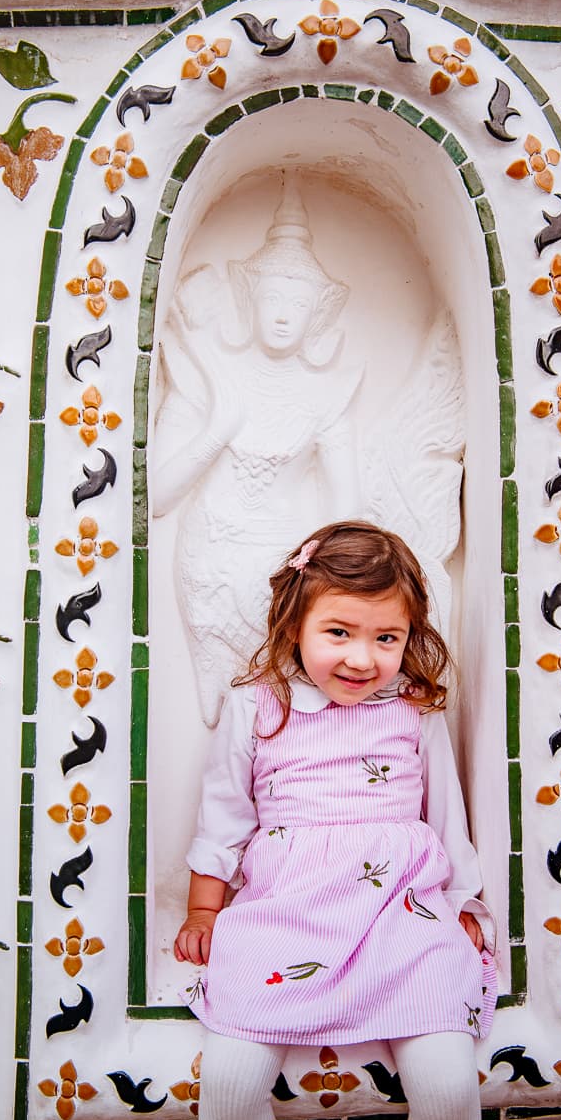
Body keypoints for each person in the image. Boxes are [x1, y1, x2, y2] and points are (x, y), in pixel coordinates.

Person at [174, 521, 497, 1120]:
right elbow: (224, 816)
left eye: (387, 638)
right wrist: (205, 912)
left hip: (400, 917)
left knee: (449, 1087)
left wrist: (464, 904)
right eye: (339, 633)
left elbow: (448, 815)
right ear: (296, 621)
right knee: (230, 1087)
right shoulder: (259, 706)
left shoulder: (414, 709)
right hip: (287, 912)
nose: (362, 657)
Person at [151, 182, 363, 728]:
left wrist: (323, 578)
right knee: (217, 711)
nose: (284, 315)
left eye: (297, 303)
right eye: (273, 297)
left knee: (283, 709)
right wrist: (218, 427)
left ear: (317, 312)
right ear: (251, 299)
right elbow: (158, 494)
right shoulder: (208, 376)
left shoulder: (327, 393)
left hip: (284, 569)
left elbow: (349, 514)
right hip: (209, 559)